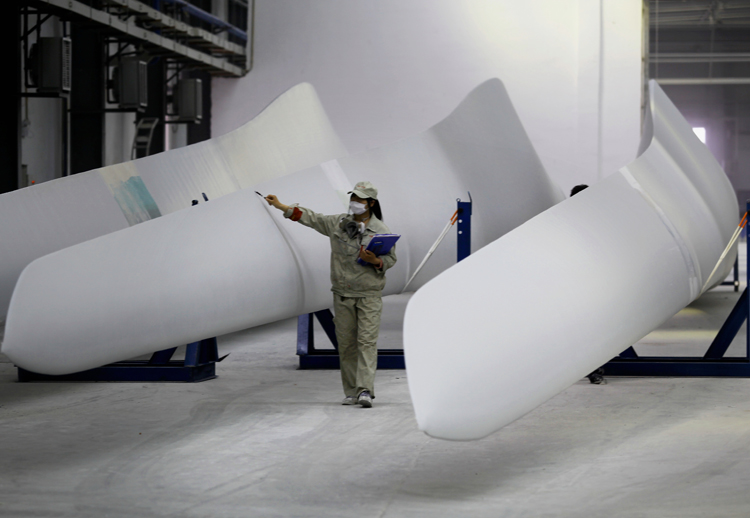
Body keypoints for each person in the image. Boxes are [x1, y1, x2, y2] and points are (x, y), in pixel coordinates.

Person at [264, 182, 397, 407]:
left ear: (371, 203)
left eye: (360, 199)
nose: (355, 203)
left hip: (368, 294)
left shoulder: (381, 231)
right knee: (346, 344)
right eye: (353, 198)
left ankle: (365, 390)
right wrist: (280, 205)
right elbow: (311, 218)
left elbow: (390, 259)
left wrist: (375, 260)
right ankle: (351, 391)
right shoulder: (339, 224)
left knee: (366, 342)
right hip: (343, 294)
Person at [570, 183, 606, 385]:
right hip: (586, 284)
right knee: (590, 328)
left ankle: (592, 368)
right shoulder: (592, 221)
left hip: (583, 284)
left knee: (587, 328)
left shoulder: (569, 221)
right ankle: (592, 369)